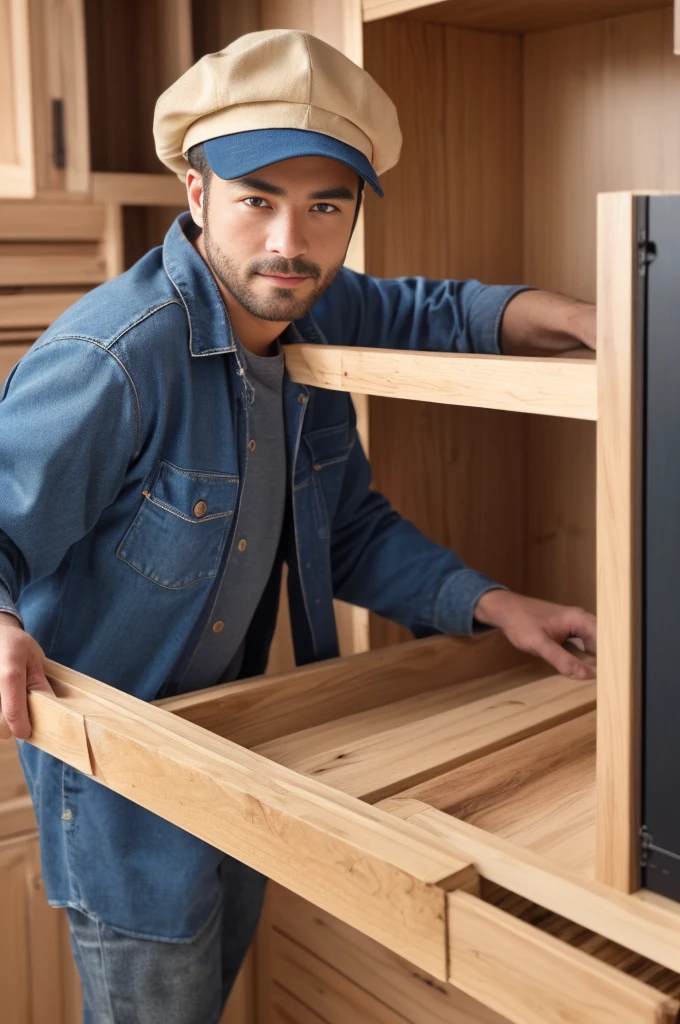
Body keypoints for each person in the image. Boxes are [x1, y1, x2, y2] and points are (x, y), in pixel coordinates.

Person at [0, 28, 596, 1024]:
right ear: (195, 195)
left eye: (325, 205)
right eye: (256, 200)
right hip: (124, 804)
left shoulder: (304, 308)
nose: (290, 240)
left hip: (251, 756)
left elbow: (421, 344)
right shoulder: (114, 357)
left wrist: (598, 318)